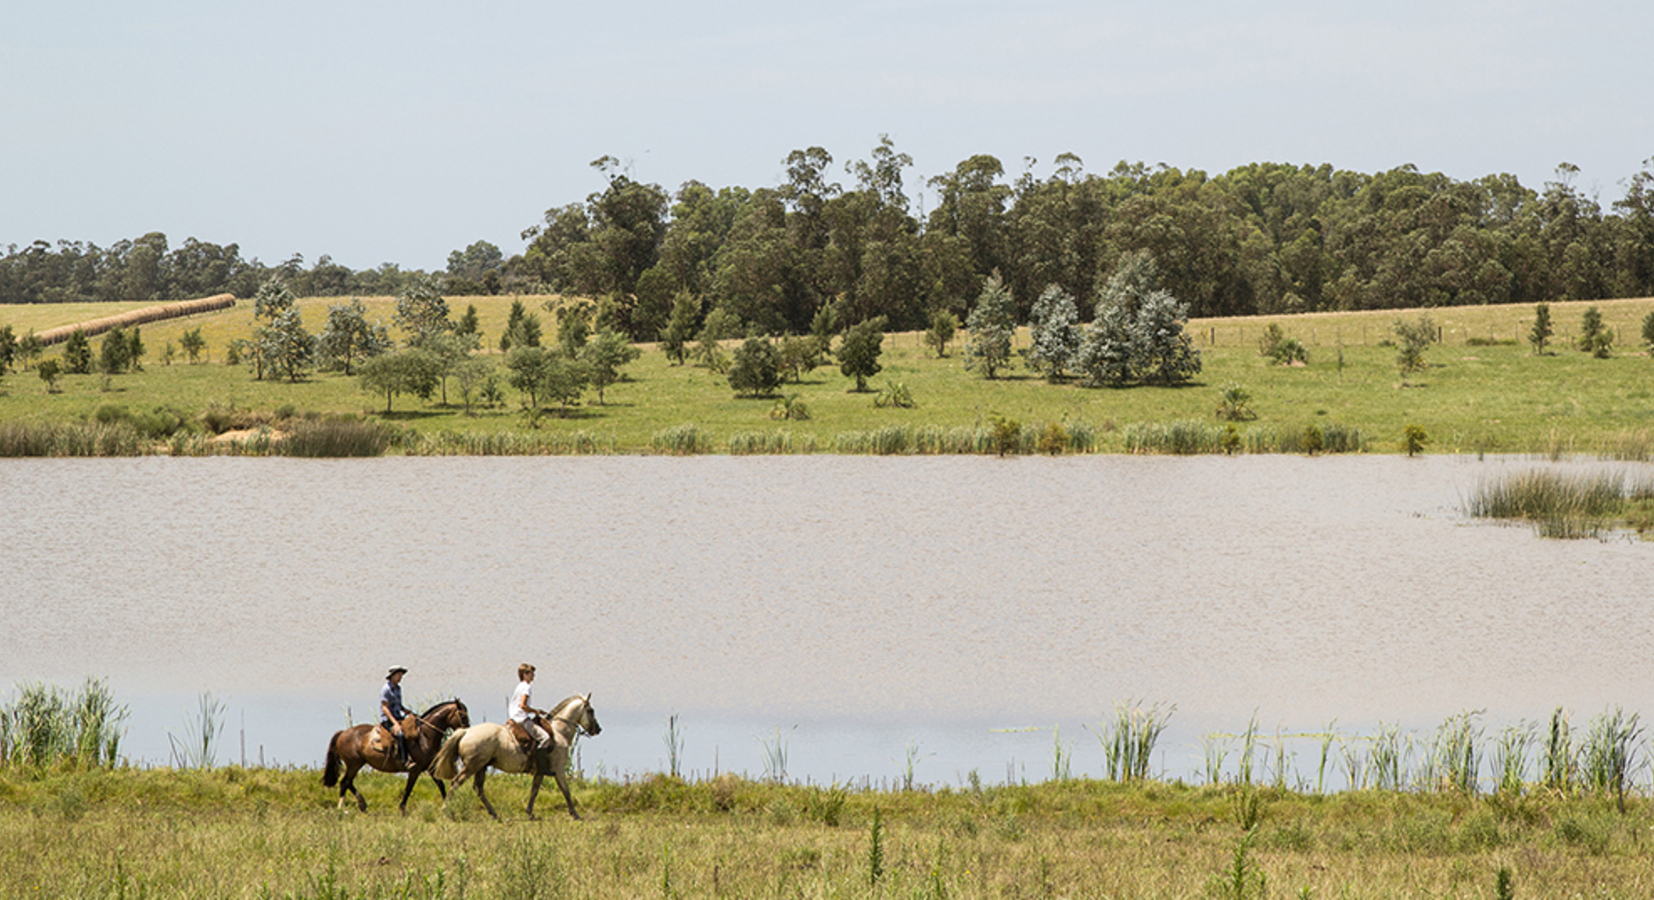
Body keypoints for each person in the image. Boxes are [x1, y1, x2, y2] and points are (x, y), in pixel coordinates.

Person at [509, 663, 553, 751]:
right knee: (545, 738)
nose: (533, 676)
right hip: (521, 719)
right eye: (531, 673)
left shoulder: (519, 686)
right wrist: (535, 712)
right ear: (525, 675)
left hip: (513, 717)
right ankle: (537, 761)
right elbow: (523, 706)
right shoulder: (526, 687)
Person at [380, 666, 413, 770]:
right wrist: (395, 723)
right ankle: (404, 761)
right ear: (392, 676)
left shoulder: (398, 688)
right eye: (398, 675)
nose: (400, 677)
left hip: (398, 717)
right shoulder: (386, 689)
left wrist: (404, 710)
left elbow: (397, 705)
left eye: (401, 675)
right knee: (400, 734)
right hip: (388, 719)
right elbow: (385, 708)